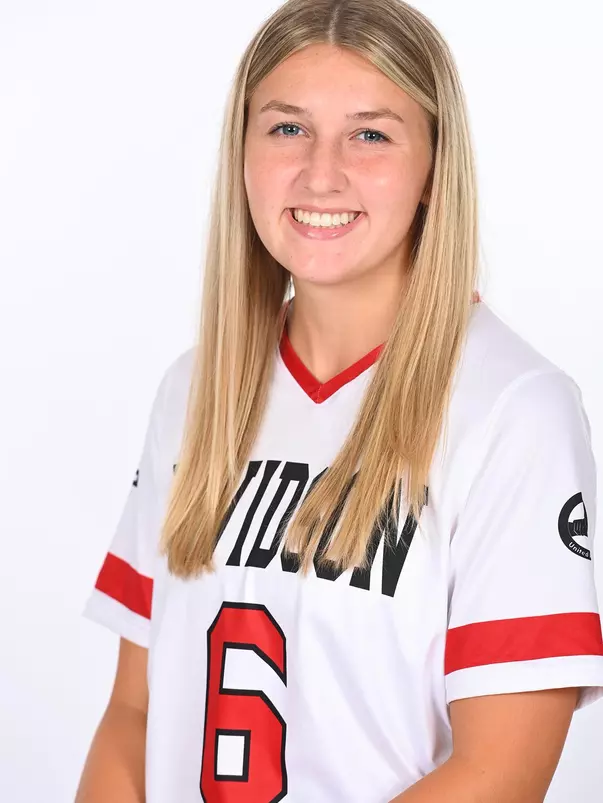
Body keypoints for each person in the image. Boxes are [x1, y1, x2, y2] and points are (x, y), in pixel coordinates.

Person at [75, 0, 603, 801]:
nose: (321, 174)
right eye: (286, 128)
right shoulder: (194, 390)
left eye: (371, 134)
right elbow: (132, 713)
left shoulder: (515, 410)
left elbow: (498, 773)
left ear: (434, 167)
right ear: (242, 153)